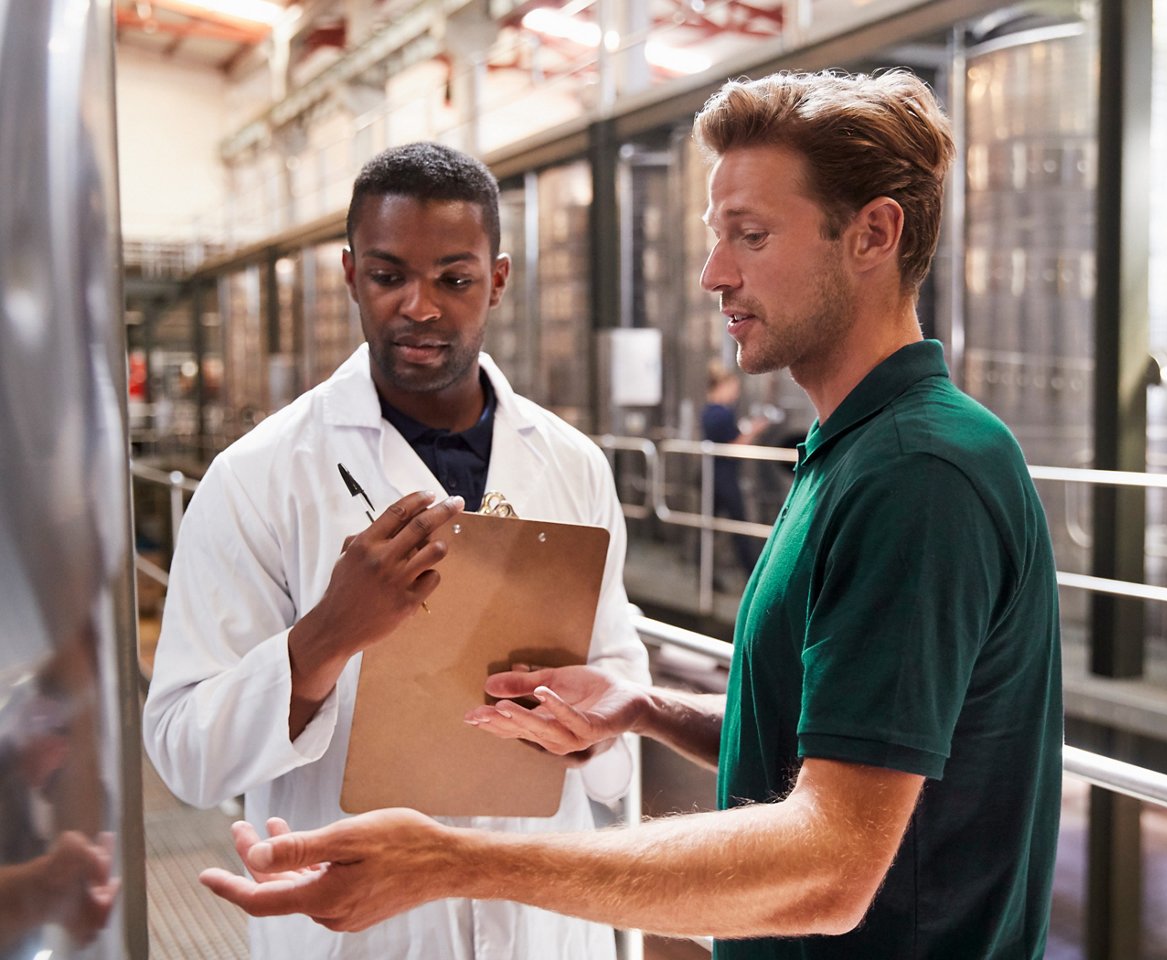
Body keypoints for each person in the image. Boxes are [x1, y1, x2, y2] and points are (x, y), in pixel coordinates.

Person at [200, 70, 1063, 960]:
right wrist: (647, 707)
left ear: (874, 235)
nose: (712, 273)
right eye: (713, 235)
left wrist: (454, 861)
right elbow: (841, 742)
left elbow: (828, 868)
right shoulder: (847, 457)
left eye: (750, 236)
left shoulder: (918, 474)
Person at [143, 142, 651, 959]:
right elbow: (182, 754)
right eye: (388, 276)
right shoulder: (260, 477)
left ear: (498, 279)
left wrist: (592, 732)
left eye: (453, 278)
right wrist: (328, 635)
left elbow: (619, 667)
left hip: (540, 917)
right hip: (366, 933)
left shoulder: (571, 464)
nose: (419, 306)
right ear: (350, 275)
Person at [701, 363, 767, 576]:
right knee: (739, 525)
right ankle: (752, 574)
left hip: (713, 475)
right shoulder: (720, 414)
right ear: (723, 386)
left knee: (707, 525)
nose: (736, 393)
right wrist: (753, 431)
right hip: (724, 477)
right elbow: (732, 447)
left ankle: (705, 575)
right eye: (733, 388)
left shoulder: (711, 411)